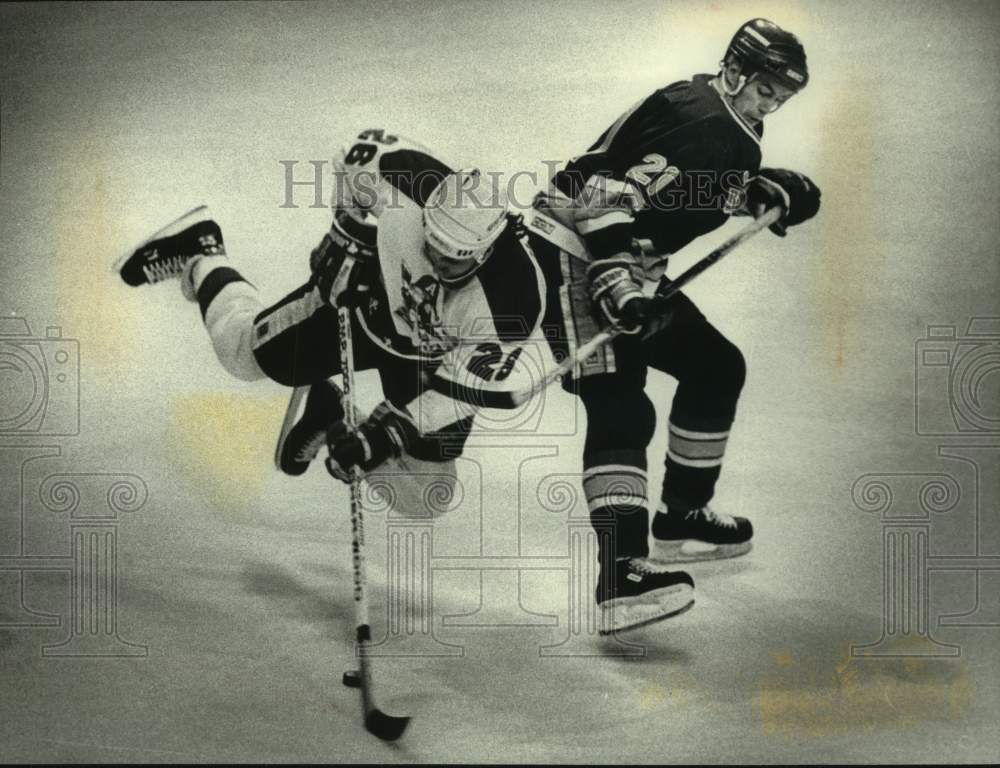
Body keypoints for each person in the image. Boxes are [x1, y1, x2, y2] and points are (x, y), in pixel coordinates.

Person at [519, 18, 822, 632]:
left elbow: (674, 188)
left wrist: (756, 190)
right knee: (622, 407)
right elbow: (602, 199)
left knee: (716, 367)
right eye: (766, 91)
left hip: (626, 255)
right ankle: (620, 575)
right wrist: (620, 289)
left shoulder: (717, 113)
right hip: (575, 256)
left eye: (782, 97)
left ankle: (682, 515)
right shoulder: (704, 122)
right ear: (735, 71)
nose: (772, 104)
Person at [114, 128, 547, 519]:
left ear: (485, 249)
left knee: (427, 496)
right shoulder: (405, 178)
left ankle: (333, 413)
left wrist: (382, 438)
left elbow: (457, 393)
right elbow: (355, 152)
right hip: (362, 308)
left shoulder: (515, 303)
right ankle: (199, 252)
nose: (433, 259)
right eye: (429, 242)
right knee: (241, 353)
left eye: (451, 258)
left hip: (431, 358)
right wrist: (345, 231)